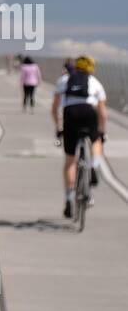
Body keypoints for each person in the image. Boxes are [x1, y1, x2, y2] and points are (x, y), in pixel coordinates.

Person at [52, 55, 107, 218]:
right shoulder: (95, 82)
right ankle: (94, 165)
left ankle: (69, 198)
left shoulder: (64, 80)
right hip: (89, 112)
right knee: (96, 139)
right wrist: (102, 131)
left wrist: (58, 127)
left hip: (70, 114)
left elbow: (54, 107)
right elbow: (103, 112)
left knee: (70, 160)